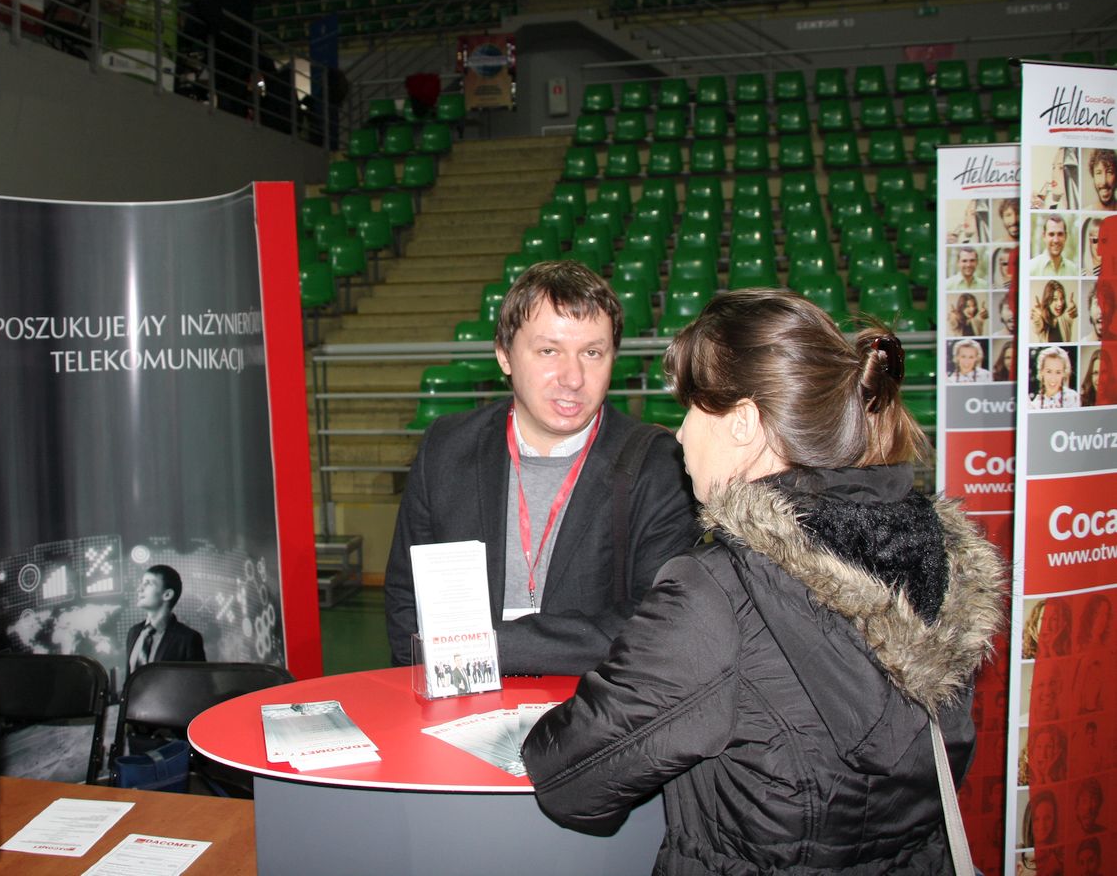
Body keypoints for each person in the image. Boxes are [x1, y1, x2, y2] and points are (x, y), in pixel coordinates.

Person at [522, 288, 1006, 874]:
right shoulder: (935, 557)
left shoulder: (720, 592)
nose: (680, 435)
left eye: (694, 410)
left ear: (744, 423)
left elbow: (572, 779)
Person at [384, 261, 698, 676]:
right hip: (461, 694)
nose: (573, 378)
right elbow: (407, 598)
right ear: (504, 355)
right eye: (549, 351)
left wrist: (491, 647)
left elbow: (657, 619)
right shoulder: (446, 449)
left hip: (597, 702)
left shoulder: (658, 466)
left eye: (592, 353)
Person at [126, 564, 206, 674]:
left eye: (148, 583)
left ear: (167, 594)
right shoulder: (134, 632)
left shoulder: (188, 639)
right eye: (142, 583)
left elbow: (198, 681)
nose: (139, 589)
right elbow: (129, 680)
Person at [1032, 345, 1081, 410]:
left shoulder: (1072, 398)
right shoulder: (1035, 404)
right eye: (1049, 371)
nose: (1053, 378)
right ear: (1041, 372)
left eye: (1058, 372)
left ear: (1064, 373)